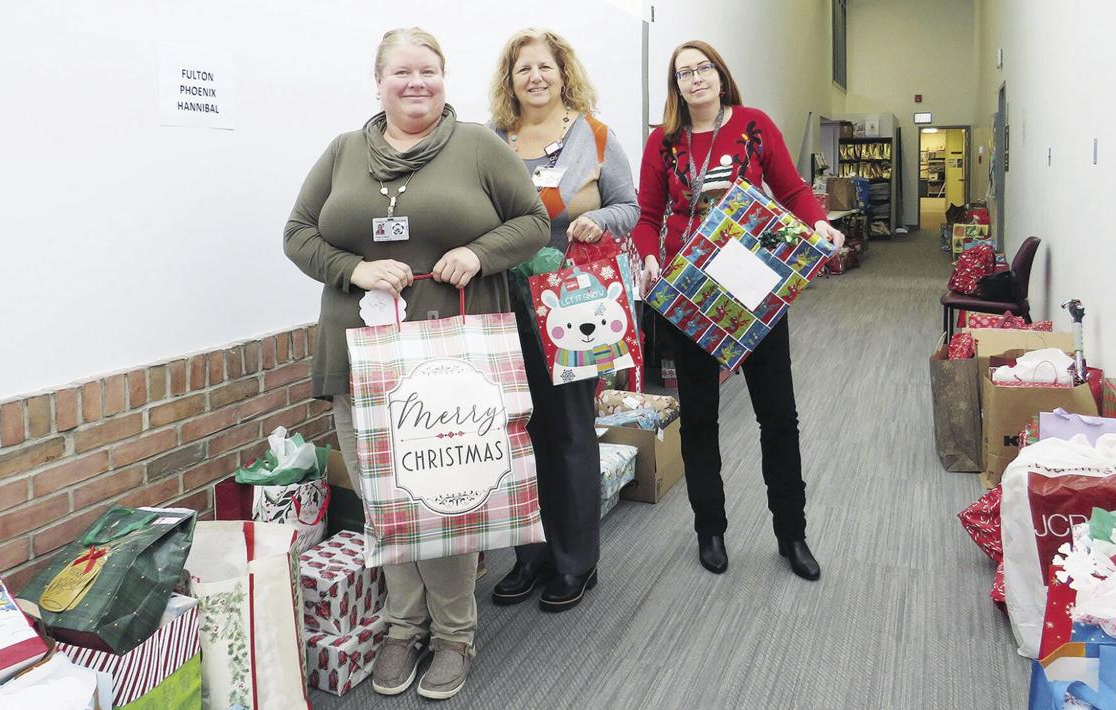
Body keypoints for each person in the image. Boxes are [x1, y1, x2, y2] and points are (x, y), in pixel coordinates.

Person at [283, 27, 548, 700]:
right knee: (384, 499)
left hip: (450, 362)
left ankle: (455, 633)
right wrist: (355, 268)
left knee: (446, 496)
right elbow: (298, 234)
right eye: (402, 71)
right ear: (378, 80)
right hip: (362, 356)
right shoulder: (344, 152)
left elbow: (532, 223)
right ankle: (404, 626)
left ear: (443, 76)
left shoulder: (479, 146)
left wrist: (481, 252)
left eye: (428, 70)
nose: (416, 83)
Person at [632, 40, 845, 581]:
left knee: (778, 415)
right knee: (700, 417)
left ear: (721, 76)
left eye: (704, 68)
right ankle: (711, 530)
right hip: (691, 293)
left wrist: (816, 220)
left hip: (753, 287)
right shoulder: (663, 142)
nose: (696, 78)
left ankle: (791, 534)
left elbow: (792, 189)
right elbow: (647, 214)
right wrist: (652, 255)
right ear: (675, 86)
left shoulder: (753, 125)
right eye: (684, 73)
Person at [485, 28, 639, 612]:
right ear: (511, 80)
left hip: (575, 308)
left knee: (571, 433)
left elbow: (630, 206)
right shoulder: (494, 141)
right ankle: (532, 557)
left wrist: (601, 221)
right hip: (504, 304)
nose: (535, 78)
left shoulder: (595, 136)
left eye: (544, 67)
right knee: (518, 432)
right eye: (523, 69)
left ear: (563, 73)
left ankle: (576, 561)